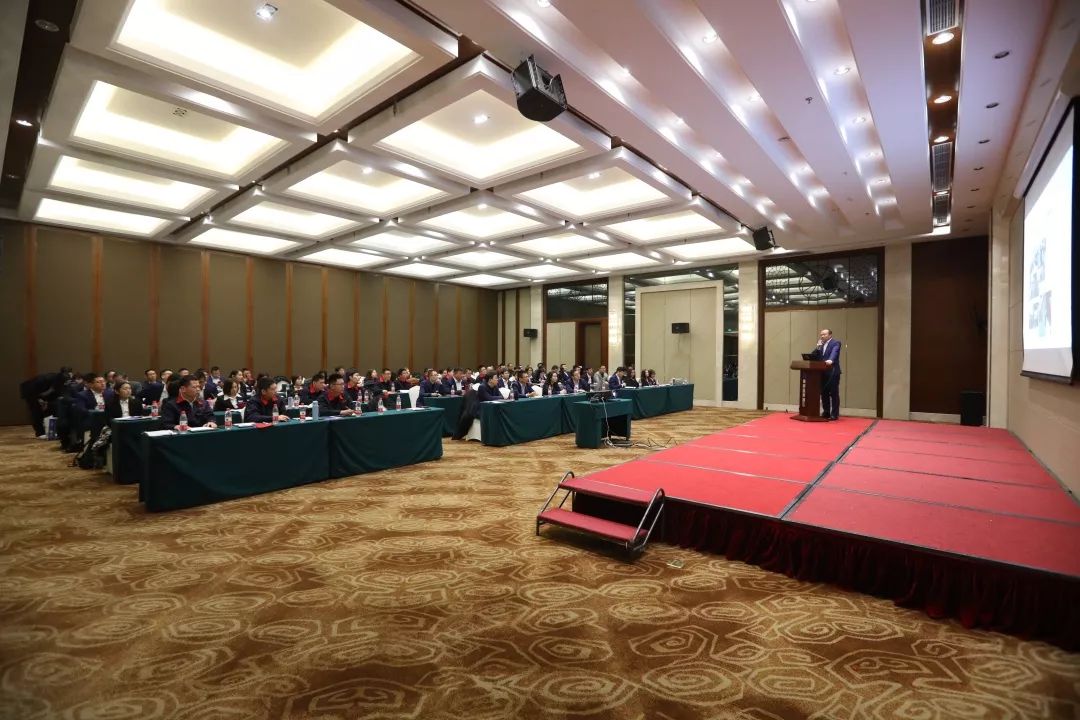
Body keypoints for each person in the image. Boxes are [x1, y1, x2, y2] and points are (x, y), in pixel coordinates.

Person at [20, 367, 72, 438]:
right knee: (36, 411)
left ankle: (53, 431)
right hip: (30, 391)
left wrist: (47, 403)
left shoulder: (60, 381)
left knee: (51, 409)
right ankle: (40, 433)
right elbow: (35, 392)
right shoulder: (45, 379)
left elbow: (55, 393)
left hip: (42, 392)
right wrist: (39, 400)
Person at [816, 328, 842, 420]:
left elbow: (835, 352)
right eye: (821, 335)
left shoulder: (836, 343)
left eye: (824, 334)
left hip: (833, 372)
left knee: (834, 393)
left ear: (830, 335)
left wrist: (831, 360)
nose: (822, 336)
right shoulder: (821, 345)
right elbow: (815, 356)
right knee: (824, 393)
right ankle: (826, 412)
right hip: (822, 372)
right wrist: (818, 347)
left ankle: (834, 414)